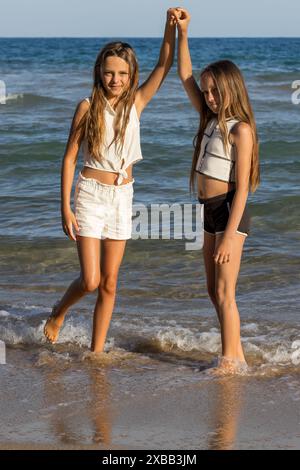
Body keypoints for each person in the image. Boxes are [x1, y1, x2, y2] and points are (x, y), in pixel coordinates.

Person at [44, 10, 177, 352]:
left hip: (123, 196)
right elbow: (70, 157)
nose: (115, 79)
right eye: (109, 72)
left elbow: (164, 64)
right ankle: (59, 312)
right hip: (90, 194)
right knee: (90, 280)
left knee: (110, 282)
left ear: (131, 74)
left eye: (122, 73)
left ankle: (96, 352)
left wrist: (171, 27)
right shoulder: (87, 107)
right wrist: (65, 208)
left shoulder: (137, 103)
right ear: (99, 73)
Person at [172, 7, 260, 373]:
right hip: (207, 212)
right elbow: (185, 75)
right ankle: (236, 355)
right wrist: (184, 33)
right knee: (213, 291)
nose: (208, 97)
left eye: (214, 91)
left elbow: (241, 190)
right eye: (206, 92)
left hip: (229, 212)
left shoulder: (241, 130)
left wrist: (227, 237)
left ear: (230, 89)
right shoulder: (210, 120)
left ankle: (229, 362)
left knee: (225, 293)